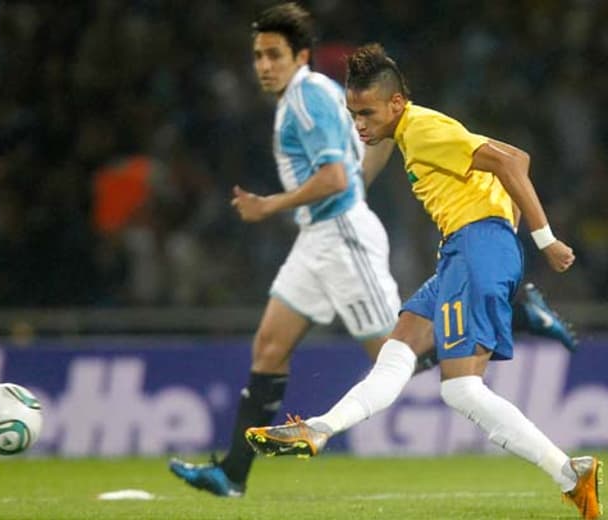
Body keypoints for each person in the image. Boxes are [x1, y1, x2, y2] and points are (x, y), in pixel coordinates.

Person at [245, 44, 602, 519]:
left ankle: (569, 473)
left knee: (461, 390)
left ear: (396, 104)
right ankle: (319, 428)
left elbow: (511, 165)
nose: (360, 125)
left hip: (475, 248)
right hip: (465, 251)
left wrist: (542, 239)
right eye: (354, 115)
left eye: (367, 113)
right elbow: (520, 155)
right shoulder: (418, 131)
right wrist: (503, 224)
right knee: (397, 351)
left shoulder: (424, 129)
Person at [168, 3, 402, 498]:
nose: (264, 65)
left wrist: (269, 205)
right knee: (269, 348)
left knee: (396, 356)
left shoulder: (305, 98)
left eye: (274, 54)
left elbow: (336, 177)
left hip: (340, 236)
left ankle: (510, 312)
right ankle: (231, 474)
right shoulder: (317, 95)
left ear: (301, 56)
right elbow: (360, 157)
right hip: (317, 238)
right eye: (257, 56)